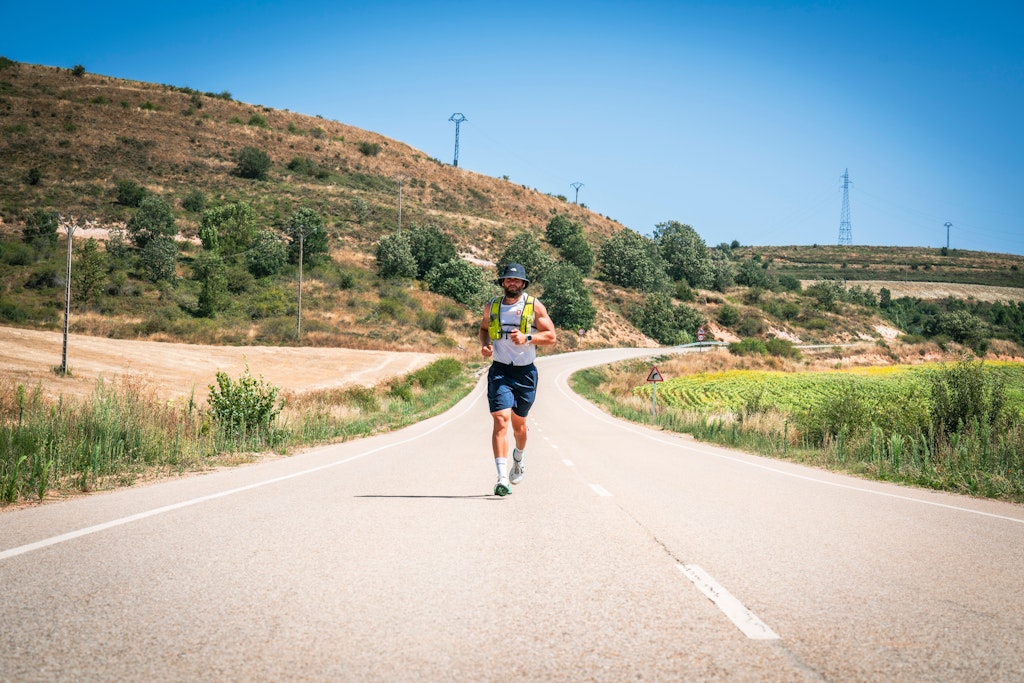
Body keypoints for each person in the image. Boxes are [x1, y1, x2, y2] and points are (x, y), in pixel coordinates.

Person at [479, 263, 557, 496]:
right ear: (503, 282)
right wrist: (485, 345)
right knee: (501, 420)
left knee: (519, 425)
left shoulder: (533, 306)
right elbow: (484, 329)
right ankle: (502, 478)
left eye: (516, 281)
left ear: (523, 284)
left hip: (525, 373)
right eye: (508, 280)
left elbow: (551, 337)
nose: (512, 283)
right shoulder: (492, 306)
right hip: (500, 370)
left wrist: (528, 337)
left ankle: (519, 458)